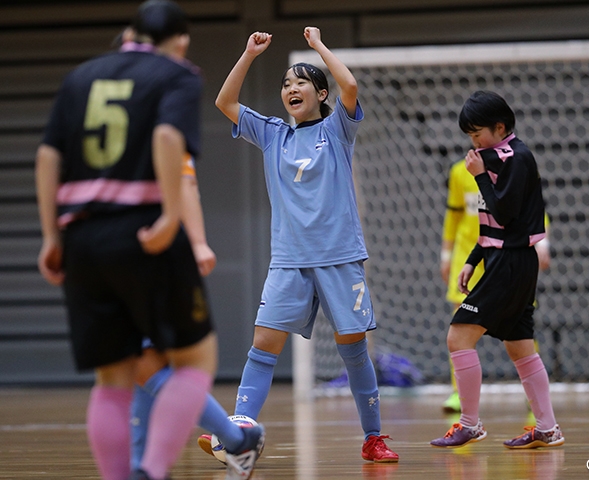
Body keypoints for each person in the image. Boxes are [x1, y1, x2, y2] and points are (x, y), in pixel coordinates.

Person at [35, 2, 264, 479]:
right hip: (141, 231)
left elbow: (47, 156)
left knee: (113, 379)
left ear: (128, 33)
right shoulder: (173, 74)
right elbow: (168, 143)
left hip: (82, 237)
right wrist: (171, 221)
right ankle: (155, 469)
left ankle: (132, 471)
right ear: (180, 41)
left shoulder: (80, 77)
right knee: (193, 360)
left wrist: (51, 235)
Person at [199, 27, 399, 464]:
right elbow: (225, 102)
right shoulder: (273, 135)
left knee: (353, 349)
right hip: (288, 262)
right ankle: (239, 431)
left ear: (320, 93)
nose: (291, 88)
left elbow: (350, 85)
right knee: (264, 343)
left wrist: (320, 48)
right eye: (286, 84)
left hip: (340, 259)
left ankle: (373, 437)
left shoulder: (338, 130)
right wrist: (249, 54)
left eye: (301, 82)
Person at [430, 90, 564, 449]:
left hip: (511, 262)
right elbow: (492, 224)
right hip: (505, 261)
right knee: (521, 347)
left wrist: (479, 177)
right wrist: (472, 260)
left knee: (458, 336)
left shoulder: (517, 158)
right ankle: (548, 428)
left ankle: (470, 424)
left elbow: (504, 212)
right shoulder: (493, 158)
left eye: (477, 134)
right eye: (470, 136)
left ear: (499, 127)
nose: (473, 142)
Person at [440, 159, 551, 413]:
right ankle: (459, 394)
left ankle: (532, 393)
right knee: (459, 325)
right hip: (468, 256)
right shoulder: (459, 171)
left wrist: (542, 243)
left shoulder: (517, 167)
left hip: (506, 255)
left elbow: (535, 207)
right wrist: (446, 255)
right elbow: (454, 215)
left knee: (520, 323)